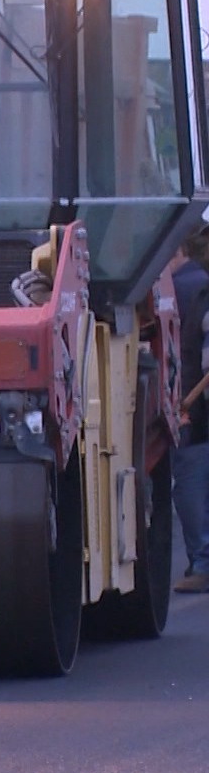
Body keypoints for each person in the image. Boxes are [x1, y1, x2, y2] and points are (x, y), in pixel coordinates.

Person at [171, 231, 209, 592]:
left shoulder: (194, 288)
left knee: (192, 484)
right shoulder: (197, 287)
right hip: (195, 408)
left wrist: (188, 402)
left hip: (196, 413)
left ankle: (203, 563)